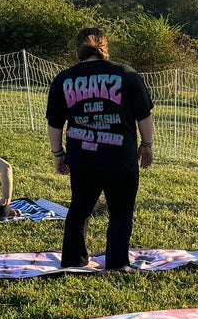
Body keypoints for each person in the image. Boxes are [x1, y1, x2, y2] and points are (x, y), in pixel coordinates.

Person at [46, 27, 154, 272]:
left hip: (82, 157)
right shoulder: (126, 74)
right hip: (120, 158)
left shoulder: (64, 79)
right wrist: (146, 145)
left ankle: (74, 260)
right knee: (120, 211)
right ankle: (117, 264)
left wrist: (58, 154)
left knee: (80, 208)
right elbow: (144, 116)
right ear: (106, 48)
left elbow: (55, 122)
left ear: (78, 51)